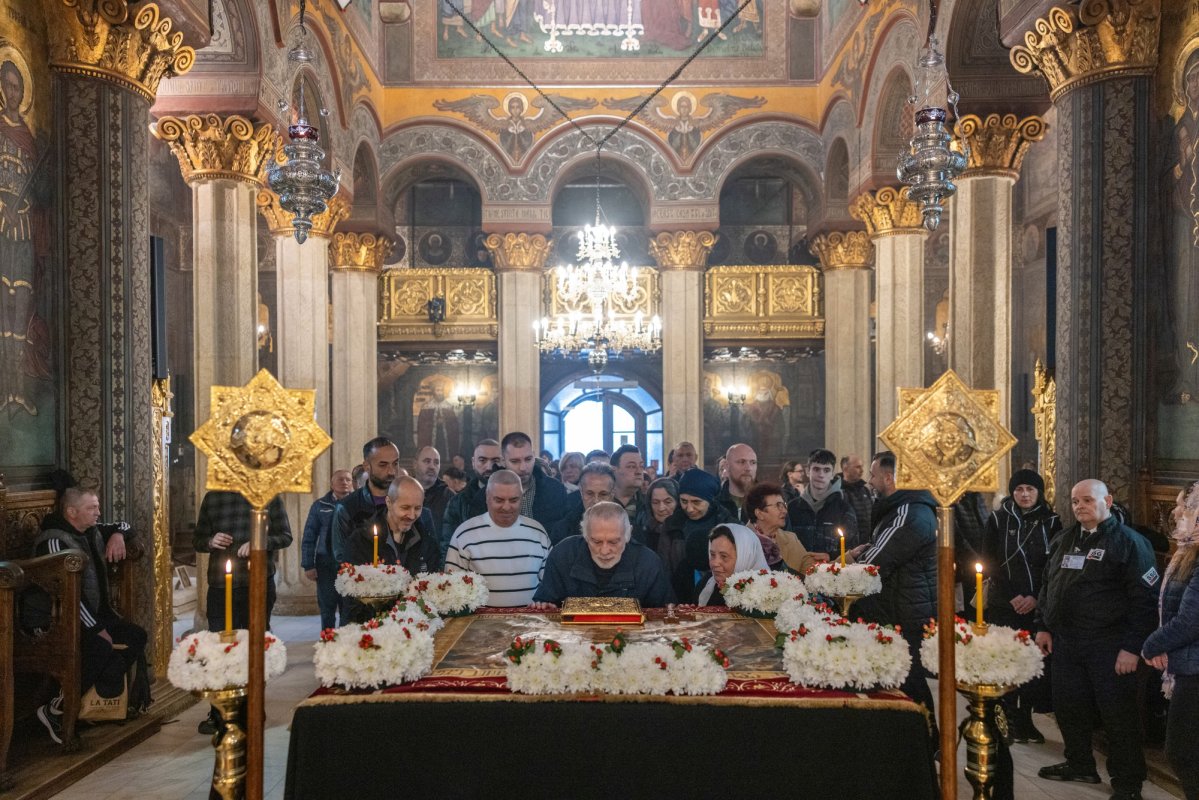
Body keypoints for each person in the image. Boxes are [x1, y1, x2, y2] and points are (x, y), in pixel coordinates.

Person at [1035, 479, 1157, 799]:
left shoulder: (1129, 543)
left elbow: (1145, 600)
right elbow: (1048, 585)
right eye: (1076, 501)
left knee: (1118, 716)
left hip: (1110, 644)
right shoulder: (1065, 539)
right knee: (1069, 707)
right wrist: (1043, 625)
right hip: (1067, 641)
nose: (1080, 507)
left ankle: (1128, 783)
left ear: (1108, 501)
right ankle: (1080, 763)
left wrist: (1132, 647)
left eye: (1088, 500)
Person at [31, 487, 147, 743]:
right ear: (72, 512)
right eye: (91, 508)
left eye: (97, 507)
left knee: (136, 636)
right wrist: (96, 628)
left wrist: (117, 535)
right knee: (100, 646)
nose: (98, 512)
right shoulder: (54, 542)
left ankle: (88, 704)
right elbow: (67, 596)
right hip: (58, 621)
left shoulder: (91, 530)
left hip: (91, 616)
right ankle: (56, 708)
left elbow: (125, 524)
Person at [853, 451, 939, 739]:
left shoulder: (908, 513)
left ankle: (927, 741)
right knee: (906, 680)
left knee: (909, 683)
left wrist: (847, 567)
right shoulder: (904, 508)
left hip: (906, 611)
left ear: (889, 478)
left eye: (873, 475)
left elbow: (874, 562)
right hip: (906, 605)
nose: (869, 480)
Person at [193, 488, 291, 735]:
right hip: (220, 584)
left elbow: (285, 536)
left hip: (256, 582)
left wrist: (259, 542)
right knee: (219, 649)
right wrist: (210, 541)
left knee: (253, 648)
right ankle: (219, 713)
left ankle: (252, 708)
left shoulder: (268, 494)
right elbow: (199, 539)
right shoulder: (213, 496)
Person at [982, 468, 1061, 743]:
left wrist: (1036, 597)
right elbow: (989, 560)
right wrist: (1013, 595)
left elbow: (1053, 565)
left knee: (1031, 663)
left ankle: (1025, 718)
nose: (1024, 494)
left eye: (1030, 489)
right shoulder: (998, 519)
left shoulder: (1052, 522)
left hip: (1036, 606)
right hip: (1005, 604)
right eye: (1019, 489)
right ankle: (1004, 718)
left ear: (1039, 492)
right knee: (1006, 660)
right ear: (1012, 492)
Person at [1142, 481, 1199, 800]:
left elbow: (1191, 620)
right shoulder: (1187, 553)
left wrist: (1153, 645)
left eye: (1183, 506)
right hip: (1189, 665)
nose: (1176, 512)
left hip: (1196, 671)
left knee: (1182, 751)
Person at [532, 501, 674, 608]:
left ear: (628, 534)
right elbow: (546, 603)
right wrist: (544, 606)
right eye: (596, 541)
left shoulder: (648, 563)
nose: (605, 551)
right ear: (585, 536)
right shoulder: (563, 555)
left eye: (613, 542)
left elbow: (664, 613)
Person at [446, 469, 550, 607]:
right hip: (478, 620)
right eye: (499, 500)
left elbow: (550, 586)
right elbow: (451, 588)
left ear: (522, 498)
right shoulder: (464, 534)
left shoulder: (538, 532)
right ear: (487, 498)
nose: (506, 507)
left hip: (530, 620)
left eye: (513, 500)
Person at [344, 477, 441, 621]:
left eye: (417, 508)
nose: (412, 515)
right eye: (405, 508)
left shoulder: (427, 541)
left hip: (415, 623)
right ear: (389, 502)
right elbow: (352, 596)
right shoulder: (361, 540)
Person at [332, 437, 402, 564]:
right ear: (367, 466)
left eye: (395, 463)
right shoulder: (347, 507)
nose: (391, 471)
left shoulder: (408, 502)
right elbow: (341, 557)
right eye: (383, 465)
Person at [301, 469, 355, 631]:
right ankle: (328, 639)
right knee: (327, 606)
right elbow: (309, 536)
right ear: (332, 484)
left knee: (349, 606)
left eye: (348, 479)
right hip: (326, 563)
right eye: (340, 479)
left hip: (351, 563)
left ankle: (346, 640)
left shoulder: (358, 504)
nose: (344, 482)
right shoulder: (320, 505)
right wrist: (308, 565)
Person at [786, 448, 859, 557]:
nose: (821, 475)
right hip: (797, 567)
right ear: (808, 471)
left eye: (826, 470)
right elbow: (784, 544)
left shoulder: (844, 509)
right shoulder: (792, 508)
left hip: (832, 567)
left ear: (832, 474)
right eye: (816, 469)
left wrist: (829, 556)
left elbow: (851, 549)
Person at [745, 482, 827, 574]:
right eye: (778, 506)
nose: (784, 511)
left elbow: (810, 570)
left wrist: (829, 564)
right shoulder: (741, 541)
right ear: (759, 513)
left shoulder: (791, 539)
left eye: (784, 505)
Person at [440, 438, 503, 557]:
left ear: (503, 462)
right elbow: (448, 547)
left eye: (495, 460)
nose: (489, 467)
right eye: (482, 460)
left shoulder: (515, 498)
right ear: (473, 462)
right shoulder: (457, 502)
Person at [670, 467, 735, 578]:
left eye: (696, 502)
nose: (689, 509)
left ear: (710, 501)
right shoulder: (672, 525)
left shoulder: (729, 525)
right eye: (684, 501)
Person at [501, 431, 569, 533]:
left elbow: (564, 530)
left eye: (528, 459)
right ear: (503, 461)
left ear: (533, 456)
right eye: (515, 461)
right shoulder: (488, 493)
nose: (523, 468)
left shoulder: (556, 489)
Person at [696, 524, 769, 605]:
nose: (714, 563)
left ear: (745, 558)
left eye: (724, 556)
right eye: (712, 555)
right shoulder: (706, 585)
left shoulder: (766, 593)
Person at [550, 462, 616, 545]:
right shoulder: (562, 530)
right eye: (590, 493)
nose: (596, 500)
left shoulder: (626, 525)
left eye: (603, 494)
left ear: (612, 494)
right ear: (581, 492)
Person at [414, 446, 455, 535]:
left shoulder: (450, 498)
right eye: (427, 461)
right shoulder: (403, 492)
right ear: (415, 464)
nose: (432, 466)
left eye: (436, 462)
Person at [715, 443, 757, 521]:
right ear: (727, 466)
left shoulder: (767, 502)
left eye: (753, 462)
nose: (748, 468)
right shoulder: (714, 504)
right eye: (741, 462)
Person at [610, 444, 647, 528]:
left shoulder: (650, 505)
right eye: (631, 466)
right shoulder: (601, 503)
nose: (639, 472)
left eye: (641, 466)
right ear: (614, 470)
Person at [839, 454, 873, 536]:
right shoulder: (839, 492)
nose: (862, 470)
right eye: (858, 467)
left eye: (862, 467)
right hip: (850, 540)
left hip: (868, 539)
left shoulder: (865, 490)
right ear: (846, 469)